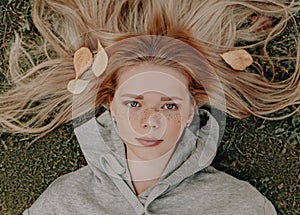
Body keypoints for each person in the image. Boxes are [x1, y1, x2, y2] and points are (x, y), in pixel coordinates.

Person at [0, 0, 299, 214]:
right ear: (111, 107)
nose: (150, 121)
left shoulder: (239, 205)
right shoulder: (64, 201)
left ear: (191, 111)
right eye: (134, 103)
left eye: (169, 106)